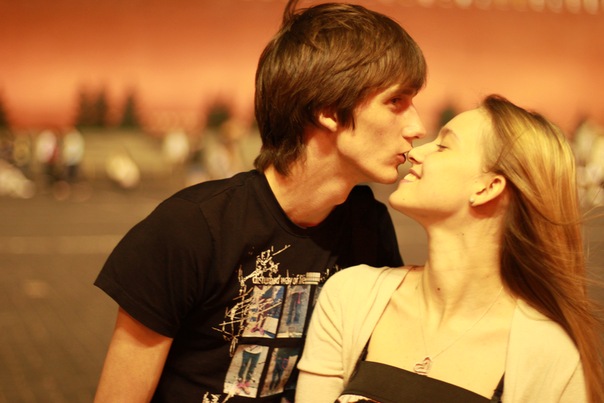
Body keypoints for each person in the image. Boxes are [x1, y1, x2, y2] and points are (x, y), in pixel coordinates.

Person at [93, 0, 427, 401]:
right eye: (396, 101)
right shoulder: (192, 227)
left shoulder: (367, 225)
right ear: (328, 110)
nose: (417, 126)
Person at [296, 95, 604, 403]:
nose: (415, 152)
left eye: (443, 146)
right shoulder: (351, 296)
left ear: (488, 188)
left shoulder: (550, 354)